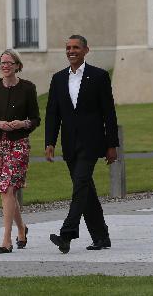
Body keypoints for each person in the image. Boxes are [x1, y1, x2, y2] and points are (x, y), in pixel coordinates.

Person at [45, 34, 119, 253]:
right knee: (86, 191)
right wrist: (50, 142)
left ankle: (66, 235)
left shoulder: (99, 76)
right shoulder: (58, 78)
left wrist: (112, 144)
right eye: (68, 47)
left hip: (92, 142)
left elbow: (109, 113)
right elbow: (52, 114)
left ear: (86, 50)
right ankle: (101, 237)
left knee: (80, 185)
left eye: (76, 47)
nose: (71, 51)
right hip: (69, 144)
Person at [0, 49, 40, 254]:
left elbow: (35, 119)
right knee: (8, 191)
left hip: (18, 144)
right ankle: (21, 228)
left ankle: (6, 239)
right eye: (2, 63)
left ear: (17, 65)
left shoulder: (28, 88)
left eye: (9, 62)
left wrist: (22, 123)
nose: (5, 66)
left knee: (6, 189)